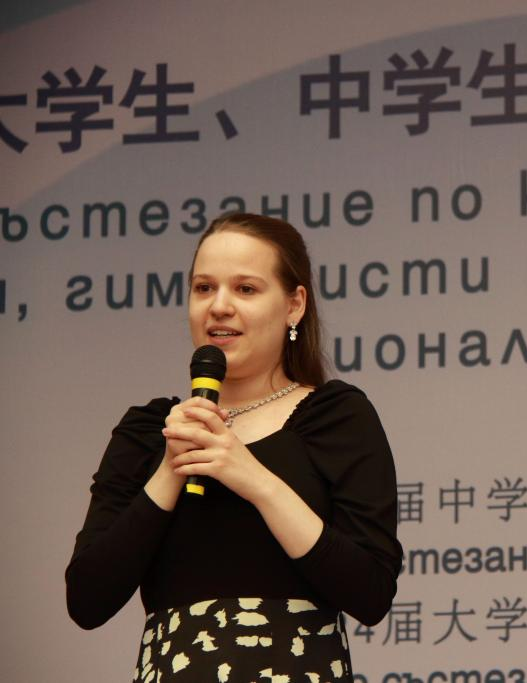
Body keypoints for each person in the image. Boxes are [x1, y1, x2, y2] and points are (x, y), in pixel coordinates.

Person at [66, 212, 402, 682]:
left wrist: (255, 479)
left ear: (294, 305)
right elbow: (87, 601)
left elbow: (370, 593)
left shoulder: (335, 418)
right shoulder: (149, 431)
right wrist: (170, 469)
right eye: (204, 288)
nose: (219, 306)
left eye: (245, 289)